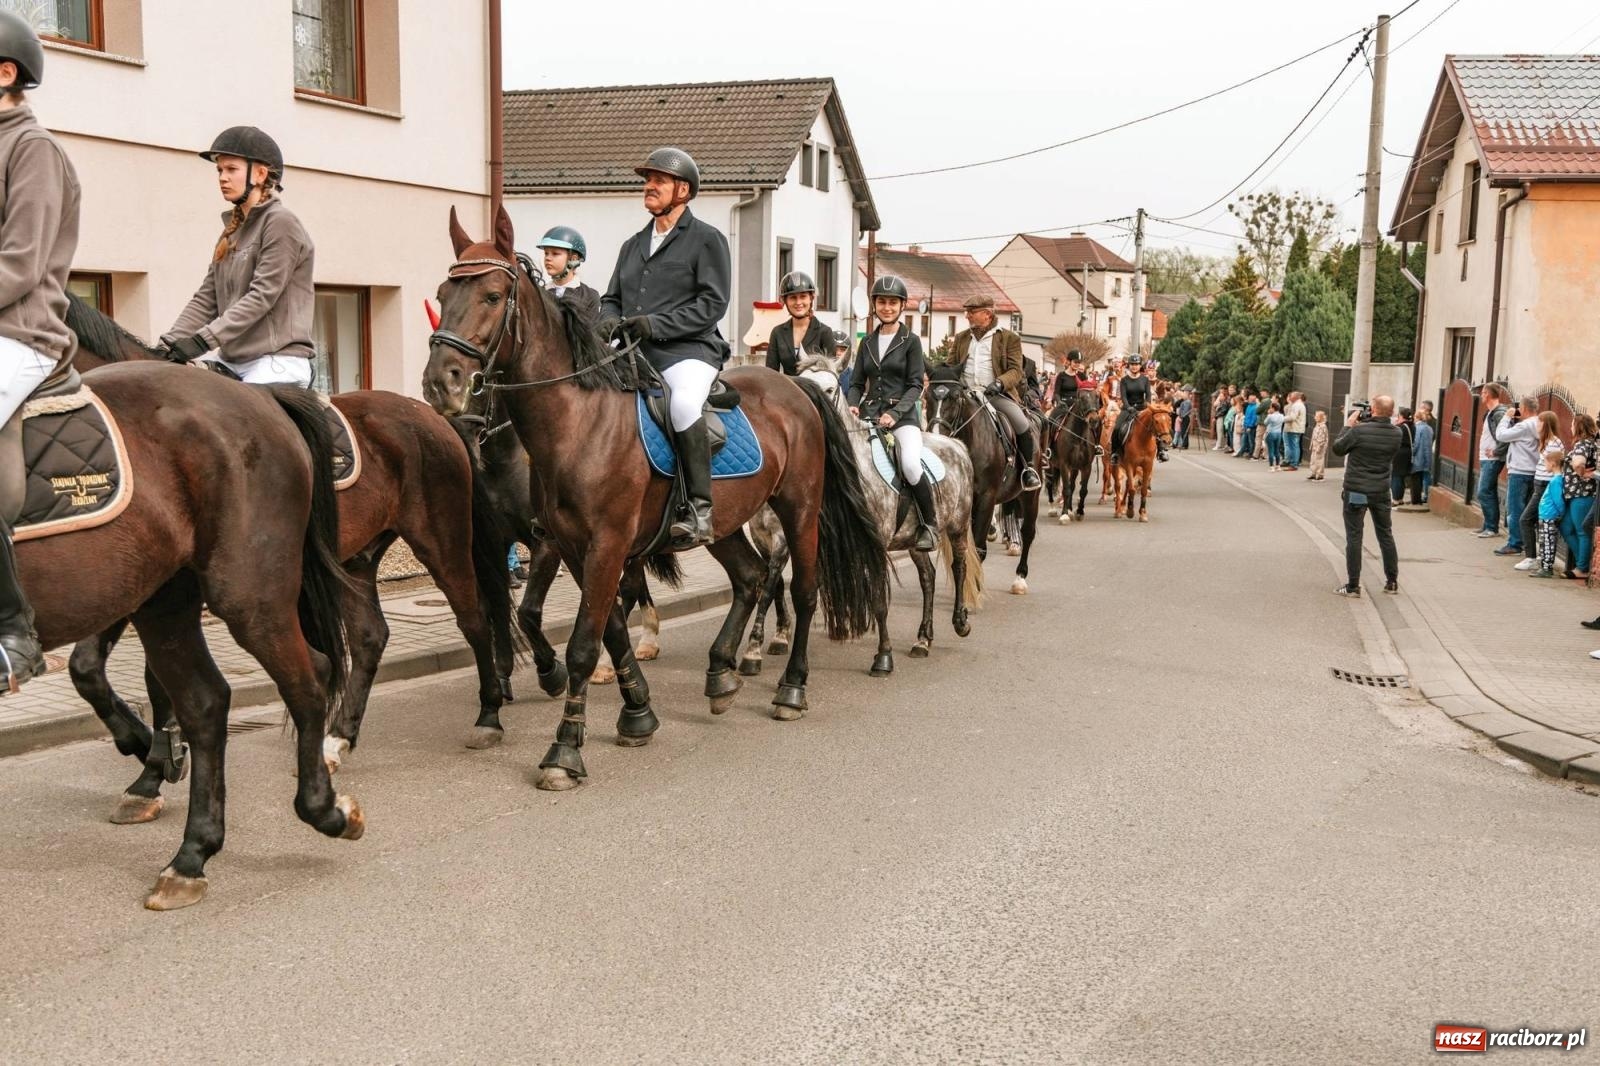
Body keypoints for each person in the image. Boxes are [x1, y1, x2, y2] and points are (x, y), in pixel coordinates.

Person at [598, 147, 731, 547]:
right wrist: (606, 321)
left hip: (689, 352)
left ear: (683, 190)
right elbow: (611, 298)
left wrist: (655, 325)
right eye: (647, 180)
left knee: (683, 405)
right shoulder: (632, 244)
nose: (649, 186)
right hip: (635, 353)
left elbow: (712, 305)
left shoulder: (707, 239)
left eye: (659, 180)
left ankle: (700, 510)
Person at [0, 13, 78, 691]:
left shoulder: (33, 151)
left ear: (4, 74)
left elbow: (21, 264)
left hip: (21, 330)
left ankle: (15, 631)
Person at [162, 126, 316, 386]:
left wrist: (201, 341)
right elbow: (206, 299)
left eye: (231, 169)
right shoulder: (231, 232)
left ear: (259, 173)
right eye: (219, 170)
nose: (222, 177)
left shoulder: (281, 223)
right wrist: (166, 346)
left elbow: (261, 296)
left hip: (277, 362)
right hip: (231, 361)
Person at [846, 275, 936, 551]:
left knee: (909, 463)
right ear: (875, 305)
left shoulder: (911, 341)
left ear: (901, 306)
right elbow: (857, 383)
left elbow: (914, 385)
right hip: (870, 415)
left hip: (903, 418)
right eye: (882, 302)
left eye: (892, 303)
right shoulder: (867, 342)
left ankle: (929, 524)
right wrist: (852, 404)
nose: (887, 307)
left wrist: (896, 414)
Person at [947, 293, 1042, 490]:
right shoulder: (961, 338)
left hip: (995, 395)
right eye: (967, 312)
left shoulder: (1009, 338)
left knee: (1021, 423)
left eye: (972, 312)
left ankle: (1028, 469)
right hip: (966, 395)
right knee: (939, 422)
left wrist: (999, 384)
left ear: (987, 315)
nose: (967, 316)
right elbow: (950, 366)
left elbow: (1016, 370)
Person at [1332, 396, 1403, 596]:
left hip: (1356, 490)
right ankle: (1392, 582)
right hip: (1381, 491)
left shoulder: (1359, 431)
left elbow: (1338, 448)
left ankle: (1353, 586)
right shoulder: (1397, 433)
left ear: (1372, 409)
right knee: (1385, 535)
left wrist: (1347, 426)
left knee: (1354, 537)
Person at [1514, 413, 1564, 571]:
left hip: (1544, 485)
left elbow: (1554, 466)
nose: (1537, 425)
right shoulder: (1545, 442)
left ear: (1546, 424)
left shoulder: (1554, 443)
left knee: (1525, 519)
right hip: (1539, 483)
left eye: (1539, 422)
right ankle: (1538, 557)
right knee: (1534, 521)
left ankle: (1531, 557)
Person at [1492, 396, 1541, 556]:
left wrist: (1507, 416)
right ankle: (1526, 543)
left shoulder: (1525, 426)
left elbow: (1501, 435)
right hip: (1533, 471)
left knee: (1515, 509)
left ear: (1525, 408)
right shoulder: (1538, 423)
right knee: (1527, 511)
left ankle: (1515, 544)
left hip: (1519, 472)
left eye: (1520, 407)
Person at [763, 271, 834, 376]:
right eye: (792, 297)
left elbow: (830, 375)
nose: (798, 302)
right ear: (785, 301)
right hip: (786, 390)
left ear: (811, 298)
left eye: (803, 296)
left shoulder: (825, 332)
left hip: (814, 391)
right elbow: (771, 373)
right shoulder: (777, 333)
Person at [1559, 413, 1599, 579]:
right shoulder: (1591, 444)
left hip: (1582, 493)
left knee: (1582, 530)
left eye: (1573, 424)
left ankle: (1582, 568)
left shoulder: (1583, 444)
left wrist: (1581, 472)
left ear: (1578, 426)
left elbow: (1578, 463)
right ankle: (1585, 563)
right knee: (1566, 527)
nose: (1570, 427)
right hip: (1577, 493)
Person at [537, 225, 599, 326]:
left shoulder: (589, 296)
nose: (548, 258)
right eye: (546, 253)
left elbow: (592, 336)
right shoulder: (539, 292)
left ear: (573, 259)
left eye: (555, 253)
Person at [1112, 353, 1167, 464]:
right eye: (1132, 364)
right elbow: (1123, 397)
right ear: (1129, 365)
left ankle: (1161, 451)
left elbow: (1148, 396)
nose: (1134, 366)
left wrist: (1147, 406)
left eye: (1136, 364)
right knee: (1117, 427)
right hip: (1128, 408)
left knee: (1156, 424)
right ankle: (1115, 453)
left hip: (1143, 408)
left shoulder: (1145, 380)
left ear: (1140, 365)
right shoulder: (1124, 380)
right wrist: (1129, 408)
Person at [1473, 383, 1511, 538]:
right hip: (1486, 458)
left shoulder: (1499, 413)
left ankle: (1492, 528)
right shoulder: (1490, 413)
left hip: (1493, 459)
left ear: (1487, 394)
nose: (1481, 396)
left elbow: (1504, 436)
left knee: (1483, 491)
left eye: (1482, 393)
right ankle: (1488, 525)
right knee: (1488, 491)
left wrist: (1496, 451)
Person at [1530, 450, 1568, 579]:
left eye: (1545, 462)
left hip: (1549, 516)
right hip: (1546, 516)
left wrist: (1560, 513)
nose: (1544, 465)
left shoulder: (1556, 481)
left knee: (1547, 542)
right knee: (1544, 541)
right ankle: (1544, 566)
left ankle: (1547, 568)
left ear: (1552, 464)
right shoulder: (1555, 480)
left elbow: (1558, 500)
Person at [1409, 406, 1434, 507]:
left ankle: (1415, 500)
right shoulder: (1428, 428)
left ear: (1416, 417)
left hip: (1417, 458)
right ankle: (1419, 499)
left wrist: (1411, 453)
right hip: (1425, 457)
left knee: (1415, 479)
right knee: (1421, 478)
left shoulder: (1418, 428)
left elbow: (1416, 443)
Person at [1389, 407, 1415, 503]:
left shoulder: (1401, 427)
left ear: (1401, 416)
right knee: (1401, 476)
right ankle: (1400, 498)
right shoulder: (1412, 426)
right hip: (1408, 452)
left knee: (1396, 476)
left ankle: (1396, 498)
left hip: (1399, 453)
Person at [1283, 391, 1307, 471]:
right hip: (1297, 428)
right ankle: (1294, 463)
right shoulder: (1299, 405)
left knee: (1293, 447)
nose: (1289, 398)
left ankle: (1293, 464)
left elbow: (1292, 417)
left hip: (1294, 428)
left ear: (1296, 397)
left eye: (1291, 396)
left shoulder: (1296, 405)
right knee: (1295, 446)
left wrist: (1281, 419)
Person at [1307, 410, 1329, 480]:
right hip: (1315, 444)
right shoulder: (1317, 425)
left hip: (1319, 445)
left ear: (1321, 418)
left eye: (1316, 416)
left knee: (1319, 460)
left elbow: (1322, 437)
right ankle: (1313, 472)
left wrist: (1319, 446)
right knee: (1313, 459)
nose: (1315, 417)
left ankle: (1319, 474)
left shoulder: (1323, 426)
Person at [1264, 402, 1286, 469]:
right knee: (1277, 449)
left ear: (1273, 408)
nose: (1270, 409)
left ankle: (1271, 466)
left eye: (1270, 407)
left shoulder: (1270, 416)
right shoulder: (1282, 416)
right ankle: (1278, 465)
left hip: (1270, 433)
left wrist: (1269, 414)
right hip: (1278, 433)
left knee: (1271, 450)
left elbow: (1265, 422)